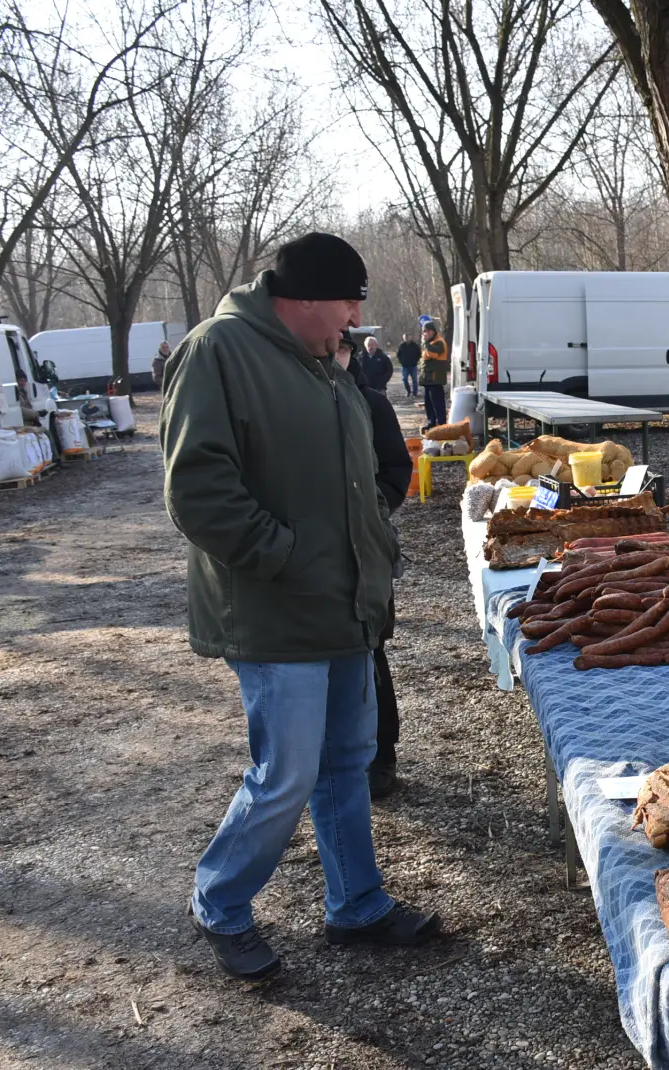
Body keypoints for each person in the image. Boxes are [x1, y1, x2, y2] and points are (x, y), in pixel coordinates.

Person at [161, 232, 440, 982]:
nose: (356, 315)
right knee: (284, 774)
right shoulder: (218, 352)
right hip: (275, 610)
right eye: (348, 299)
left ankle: (356, 904)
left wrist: (371, 545)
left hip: (343, 606)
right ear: (304, 298)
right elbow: (197, 492)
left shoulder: (322, 364)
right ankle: (218, 902)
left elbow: (359, 473)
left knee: (346, 763)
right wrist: (284, 556)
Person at [335, 332, 411, 799]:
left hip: (367, 551)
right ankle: (340, 758)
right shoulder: (296, 403)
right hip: (315, 559)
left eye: (342, 349)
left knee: (371, 656)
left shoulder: (371, 403)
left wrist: (365, 509)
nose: (334, 356)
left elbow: (397, 471)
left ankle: (382, 757)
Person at [418, 320, 449, 429]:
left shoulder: (439, 342)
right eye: (424, 331)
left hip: (435, 379)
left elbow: (434, 354)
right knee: (429, 404)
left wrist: (425, 343)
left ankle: (441, 425)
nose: (426, 333)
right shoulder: (429, 343)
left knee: (438, 404)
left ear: (433, 331)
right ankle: (431, 423)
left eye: (428, 331)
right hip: (428, 379)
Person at [396, 332, 421, 398]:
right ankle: (408, 391)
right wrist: (401, 361)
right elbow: (398, 355)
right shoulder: (401, 346)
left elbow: (419, 354)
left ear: (410, 337)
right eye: (405, 337)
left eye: (408, 337)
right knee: (404, 379)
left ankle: (414, 393)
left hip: (413, 365)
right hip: (404, 366)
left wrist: (416, 360)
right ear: (403, 338)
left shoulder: (415, 345)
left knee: (414, 380)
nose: (406, 338)